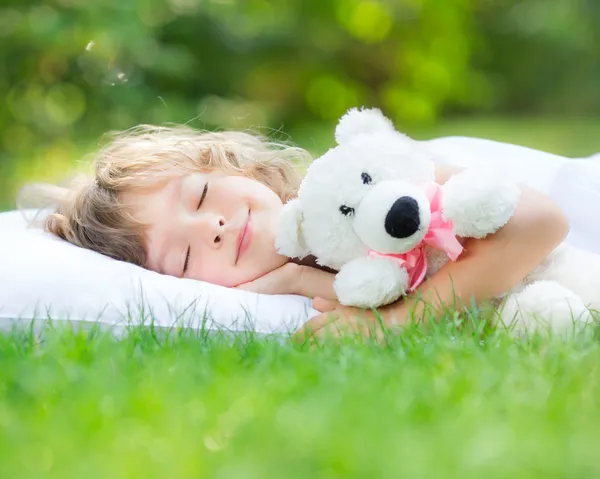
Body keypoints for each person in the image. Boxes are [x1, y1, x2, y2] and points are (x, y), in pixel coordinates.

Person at [17, 123, 599, 341]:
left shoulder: (363, 180)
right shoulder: (290, 289)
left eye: (197, 195)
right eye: (186, 254)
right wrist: (292, 278)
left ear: (229, 164)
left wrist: (403, 321)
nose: (214, 226)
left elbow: (540, 222)